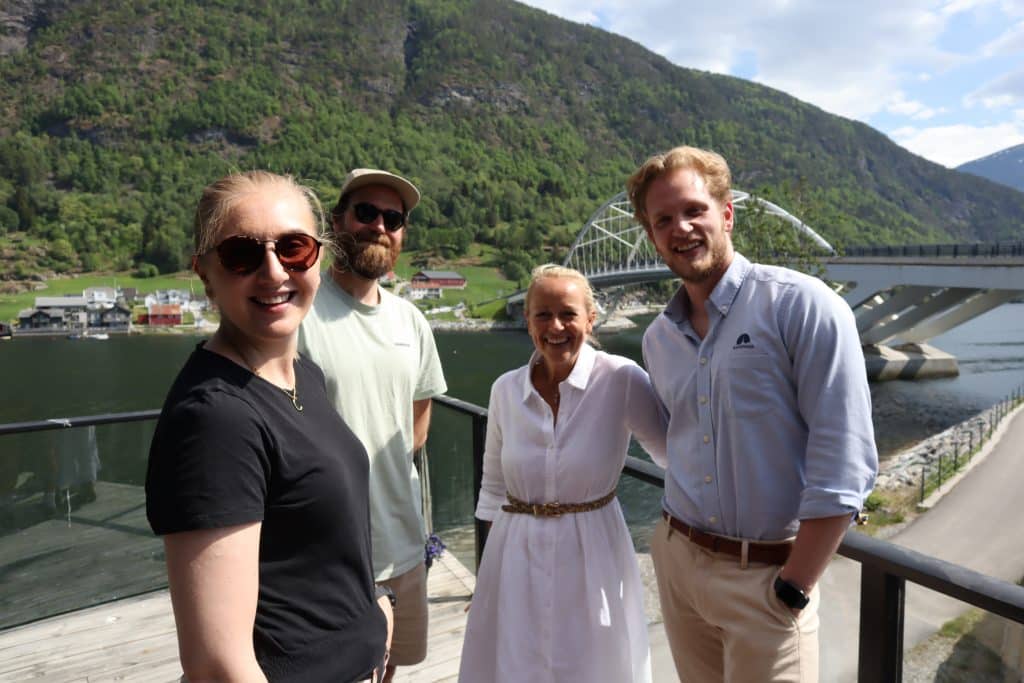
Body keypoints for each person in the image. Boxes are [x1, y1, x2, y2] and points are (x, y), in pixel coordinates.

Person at [628, 145, 878, 682]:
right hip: (678, 564)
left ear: (727, 213)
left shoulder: (801, 306)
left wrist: (794, 586)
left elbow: (845, 460)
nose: (681, 228)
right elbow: (680, 445)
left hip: (768, 579)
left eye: (694, 210)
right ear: (652, 236)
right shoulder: (658, 339)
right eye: (663, 219)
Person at [146, 171, 392, 682]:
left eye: (294, 248)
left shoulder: (304, 376)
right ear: (205, 273)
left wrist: (373, 613)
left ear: (319, 257)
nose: (274, 271)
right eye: (241, 254)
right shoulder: (214, 418)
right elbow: (218, 665)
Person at [457, 264, 668, 683]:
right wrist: (488, 576)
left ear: (591, 319)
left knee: (593, 662)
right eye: (543, 314)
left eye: (568, 314)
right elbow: (493, 489)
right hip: (514, 552)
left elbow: (672, 456)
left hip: (594, 551)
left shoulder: (621, 379)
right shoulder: (505, 390)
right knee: (518, 661)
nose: (555, 326)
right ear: (527, 320)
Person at [299, 168, 447, 682]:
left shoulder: (412, 322)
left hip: (402, 545)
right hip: (324, 556)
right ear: (337, 220)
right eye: (365, 212)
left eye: (393, 218)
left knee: (389, 669)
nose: (379, 226)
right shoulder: (299, 312)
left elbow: (418, 422)